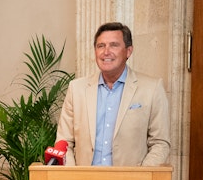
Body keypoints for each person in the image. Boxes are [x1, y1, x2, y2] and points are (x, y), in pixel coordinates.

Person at [55, 22, 171, 166]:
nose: (106, 52)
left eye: (114, 45)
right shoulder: (76, 88)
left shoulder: (152, 88)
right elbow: (64, 141)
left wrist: (140, 178)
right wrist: (74, 178)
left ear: (128, 51)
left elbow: (160, 143)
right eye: (101, 46)